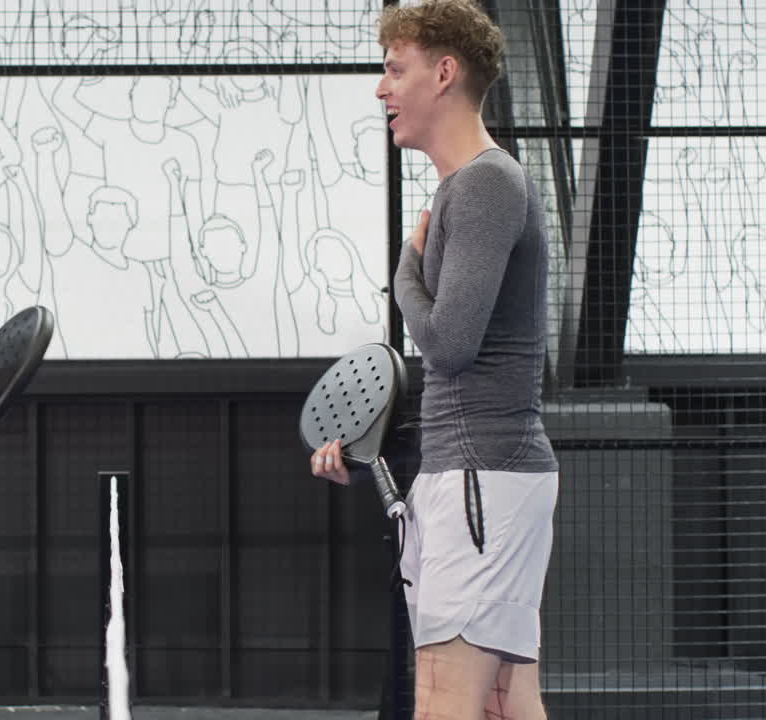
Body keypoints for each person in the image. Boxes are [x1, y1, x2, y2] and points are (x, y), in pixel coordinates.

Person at [310, 2, 559, 718]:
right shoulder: (467, 187)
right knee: (503, 705)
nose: (381, 89)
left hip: (483, 479)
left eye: (395, 69)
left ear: (444, 73)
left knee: (447, 703)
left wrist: (405, 276)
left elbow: (449, 344)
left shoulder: (484, 183)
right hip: (482, 476)